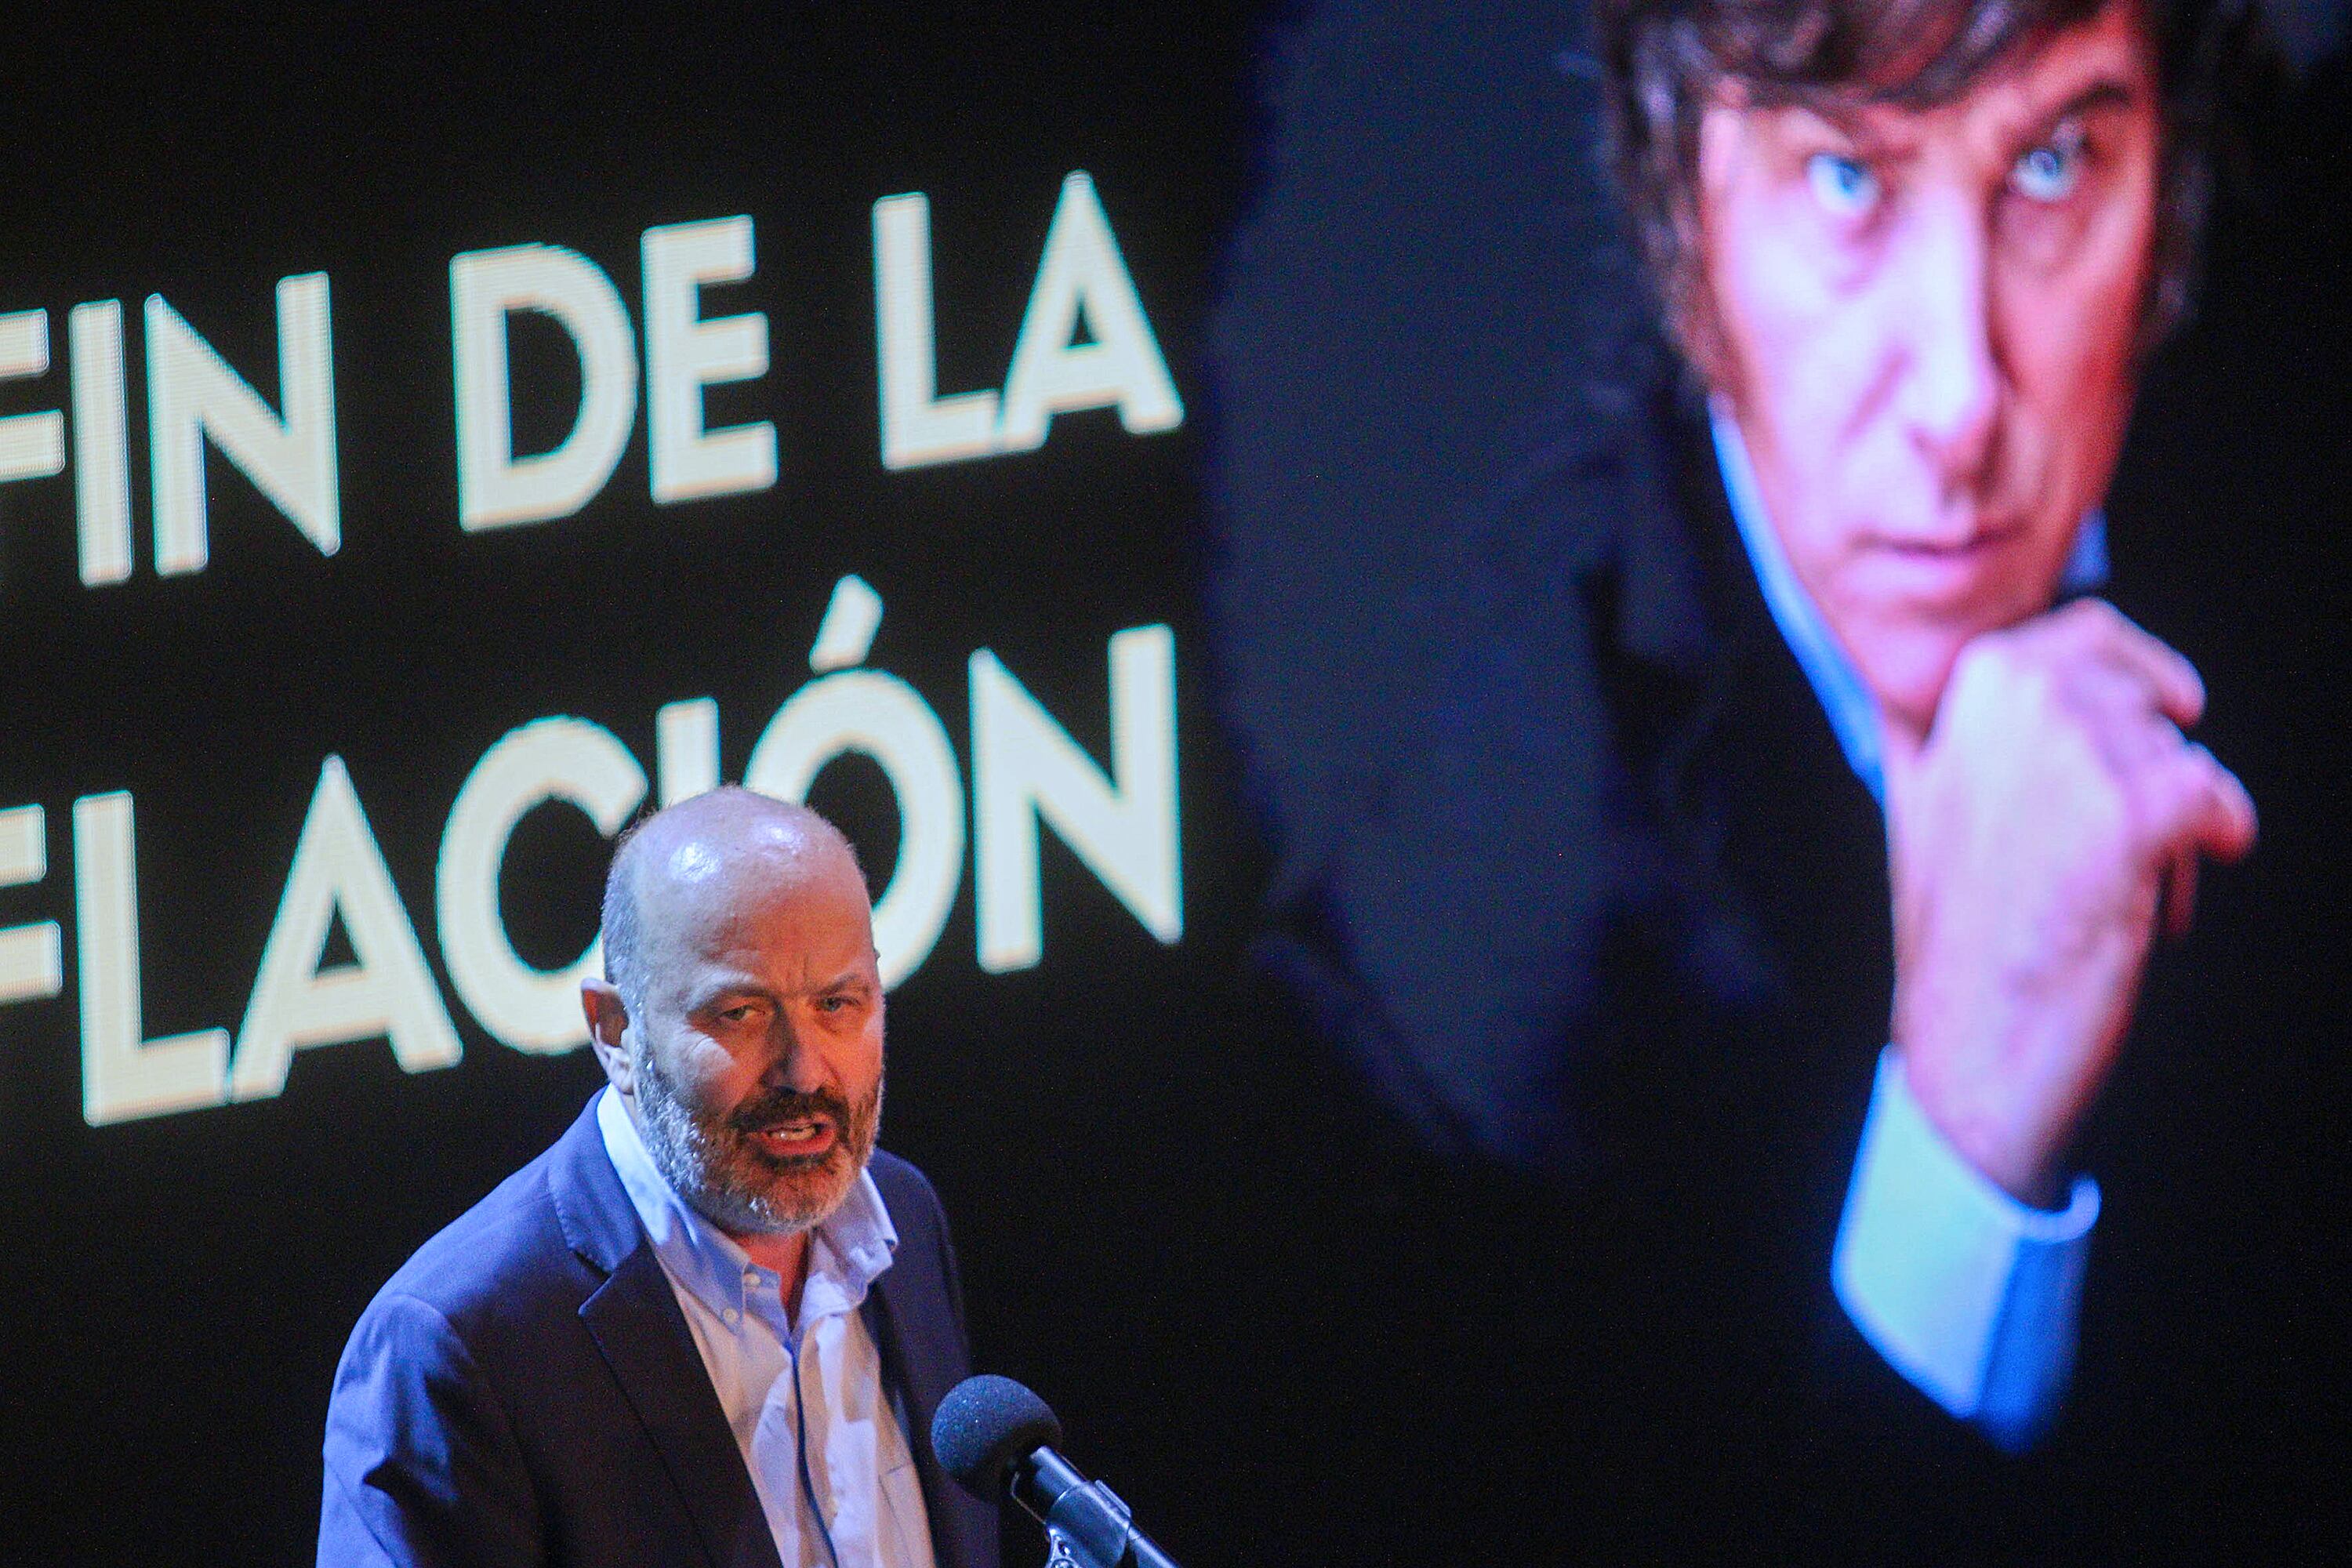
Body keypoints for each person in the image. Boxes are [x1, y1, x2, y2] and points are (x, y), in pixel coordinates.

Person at [1207, 0, 2324, 1544]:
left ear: (2175, 179)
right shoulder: (1453, 984)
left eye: (2055, 164)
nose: (1960, 403)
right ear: (1680, 201)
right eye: (1847, 182)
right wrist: (1957, 1152)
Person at [317, 789, 996, 1568]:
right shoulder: (458, 1343)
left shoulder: (901, 1218)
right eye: (740, 1013)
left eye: (838, 1003)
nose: (804, 1069)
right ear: (615, 1032)